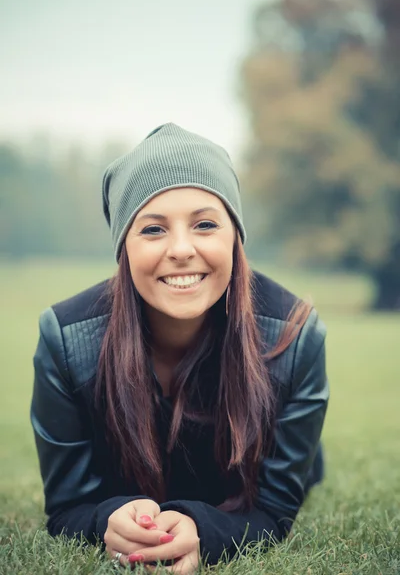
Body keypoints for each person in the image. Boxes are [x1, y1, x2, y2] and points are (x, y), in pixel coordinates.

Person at [31, 123, 329, 573]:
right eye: (153, 230)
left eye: (205, 224)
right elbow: (67, 507)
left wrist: (204, 531)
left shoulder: (296, 337)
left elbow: (273, 511)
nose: (182, 249)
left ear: (235, 235)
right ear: (124, 248)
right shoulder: (65, 340)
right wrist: (106, 521)